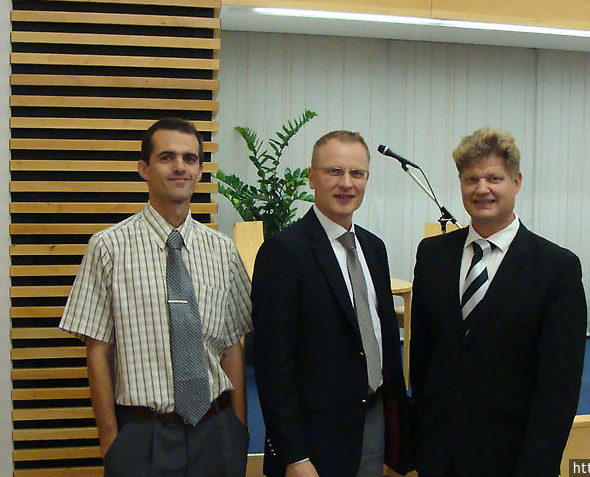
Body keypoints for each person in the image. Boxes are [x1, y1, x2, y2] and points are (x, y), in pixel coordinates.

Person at [59, 117, 252, 476]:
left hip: (216, 430)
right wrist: (110, 439)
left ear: (199, 171)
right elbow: (97, 351)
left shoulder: (223, 251)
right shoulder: (108, 248)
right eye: (167, 157)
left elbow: (232, 346)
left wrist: (239, 427)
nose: (180, 166)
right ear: (143, 169)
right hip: (143, 436)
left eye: (190, 159)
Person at [410, 126, 587, 477]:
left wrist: (536, 467)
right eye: (471, 179)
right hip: (437, 455)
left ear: (516, 182)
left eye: (494, 178)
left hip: (510, 457)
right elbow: (422, 359)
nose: (482, 189)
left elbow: (559, 388)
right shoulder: (432, 255)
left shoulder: (557, 268)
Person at [252, 130, 412, 477]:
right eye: (334, 171)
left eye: (357, 173)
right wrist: (294, 455)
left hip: (371, 420)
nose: (347, 183)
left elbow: (383, 340)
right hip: (313, 438)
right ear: (312, 177)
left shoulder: (374, 248)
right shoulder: (284, 252)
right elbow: (272, 365)